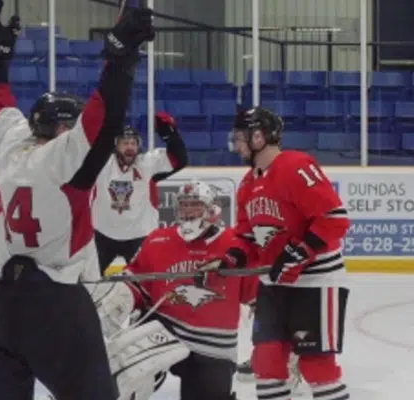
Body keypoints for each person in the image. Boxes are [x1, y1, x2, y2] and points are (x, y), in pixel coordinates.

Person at [0, 1, 161, 399]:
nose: (73, 129)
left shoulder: (11, 146)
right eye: (67, 124)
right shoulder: (64, 159)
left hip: (1, 304)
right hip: (54, 304)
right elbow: (103, 117)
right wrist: (121, 56)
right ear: (59, 128)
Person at [216, 106, 350, 400]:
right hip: (274, 284)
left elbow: (334, 219)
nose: (236, 144)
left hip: (316, 282)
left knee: (317, 367)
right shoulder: (248, 183)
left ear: (259, 137)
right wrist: (234, 256)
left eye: (240, 137)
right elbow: (246, 235)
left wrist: (295, 253)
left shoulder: (296, 166)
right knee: (266, 361)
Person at [111, 179, 257, 400]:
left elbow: (256, 295)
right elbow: (137, 283)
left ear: (211, 208)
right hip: (164, 329)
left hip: (213, 343)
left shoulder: (234, 244)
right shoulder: (158, 239)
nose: (187, 210)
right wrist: (120, 295)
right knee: (123, 381)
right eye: (183, 204)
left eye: (194, 204)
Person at [92, 118, 187, 274]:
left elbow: (179, 160)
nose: (130, 147)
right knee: (90, 280)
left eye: (133, 143)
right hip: (103, 234)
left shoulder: (147, 164)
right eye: (125, 143)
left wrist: (170, 136)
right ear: (116, 145)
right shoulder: (101, 163)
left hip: (140, 235)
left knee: (147, 282)